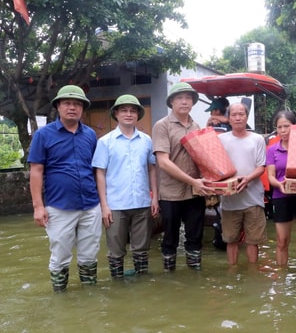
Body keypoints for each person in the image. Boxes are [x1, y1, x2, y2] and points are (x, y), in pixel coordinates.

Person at [28, 85, 102, 292]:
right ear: (58, 107)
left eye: (77, 104)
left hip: (90, 205)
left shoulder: (90, 135)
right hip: (59, 206)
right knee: (60, 255)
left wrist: (103, 204)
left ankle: (89, 296)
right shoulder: (43, 135)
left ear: (82, 109)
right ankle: (60, 298)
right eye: (67, 103)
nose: (72, 107)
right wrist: (38, 207)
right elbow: (36, 170)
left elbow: (97, 170)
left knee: (89, 254)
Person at [92, 94, 159, 278]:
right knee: (115, 251)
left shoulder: (146, 140)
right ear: (116, 114)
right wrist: (104, 206)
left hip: (142, 203)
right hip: (115, 205)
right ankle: (117, 285)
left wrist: (155, 197)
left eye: (133, 110)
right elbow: (100, 173)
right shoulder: (105, 142)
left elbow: (152, 169)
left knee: (141, 249)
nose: (129, 114)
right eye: (124, 110)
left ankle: (142, 283)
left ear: (138, 115)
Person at [152, 82, 215, 271]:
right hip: (171, 193)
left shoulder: (197, 126)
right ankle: (170, 279)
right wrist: (192, 181)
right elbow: (163, 161)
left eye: (188, 98)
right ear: (171, 101)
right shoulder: (162, 126)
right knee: (170, 237)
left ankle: (194, 277)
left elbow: (203, 159)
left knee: (195, 237)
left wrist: (212, 180)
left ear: (193, 103)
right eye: (180, 98)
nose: (184, 102)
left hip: (195, 192)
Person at [219, 102, 267, 265]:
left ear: (246, 117)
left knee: (253, 241)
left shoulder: (257, 139)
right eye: (234, 114)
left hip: (253, 199)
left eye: (241, 114)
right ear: (229, 118)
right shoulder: (220, 139)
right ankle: (232, 273)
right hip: (230, 201)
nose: (238, 118)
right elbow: (215, 166)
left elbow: (261, 167)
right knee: (230, 240)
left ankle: (253, 274)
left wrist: (247, 179)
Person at [266, 110, 296, 266]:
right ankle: (281, 281)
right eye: (279, 127)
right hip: (281, 197)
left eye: (286, 126)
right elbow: (270, 176)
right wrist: (279, 184)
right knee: (281, 241)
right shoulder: (272, 150)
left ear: (294, 126)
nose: (282, 131)